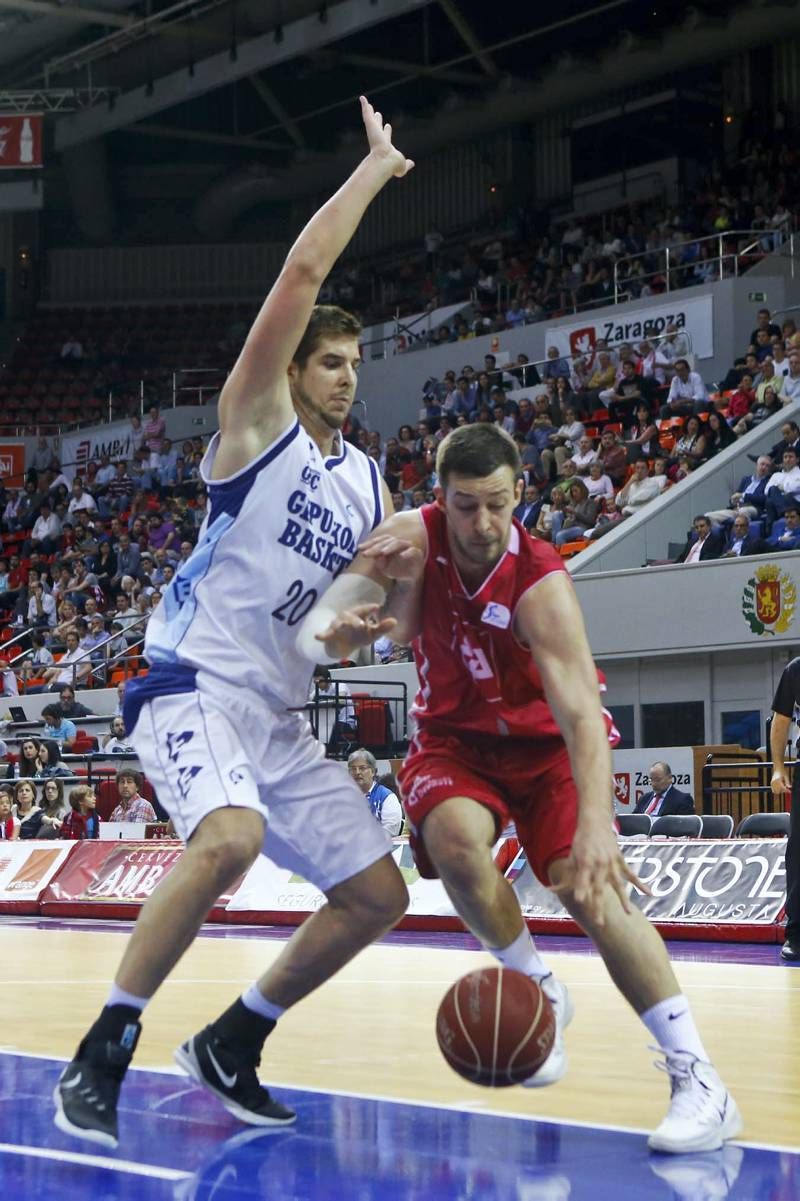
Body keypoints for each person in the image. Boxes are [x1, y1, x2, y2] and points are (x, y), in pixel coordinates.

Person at [54, 97, 413, 1150]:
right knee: (230, 837)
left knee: (374, 892)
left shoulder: (366, 486)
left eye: (355, 363)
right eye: (329, 361)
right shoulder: (255, 423)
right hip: (190, 682)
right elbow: (300, 277)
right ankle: (102, 1049)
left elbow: (331, 625)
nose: (346, 377)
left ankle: (233, 1040)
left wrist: (362, 627)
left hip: (277, 707)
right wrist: (372, 171)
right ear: (293, 368)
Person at [304, 422, 740, 1154]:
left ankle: (700, 1079)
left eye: (498, 504)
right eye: (467, 505)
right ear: (439, 497)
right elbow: (332, 635)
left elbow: (580, 717)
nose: (482, 523)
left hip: (548, 750)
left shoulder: (542, 583)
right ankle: (537, 983)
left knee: (591, 889)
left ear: (520, 494)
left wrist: (598, 825)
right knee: (451, 840)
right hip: (457, 740)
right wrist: (341, 628)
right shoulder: (408, 538)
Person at [769, 661, 800, 961]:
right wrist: (778, 768)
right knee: (798, 854)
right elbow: (781, 721)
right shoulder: (795, 670)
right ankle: (797, 934)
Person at [347, 748, 403, 835]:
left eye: (362, 768)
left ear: (373, 771)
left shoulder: (387, 797)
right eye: (353, 769)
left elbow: (391, 831)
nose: (357, 772)